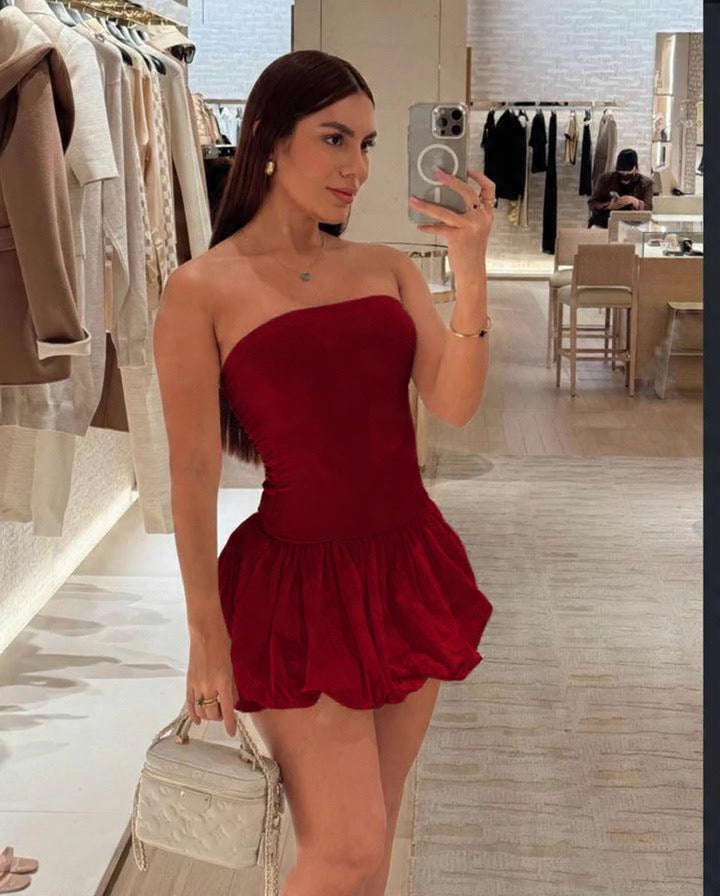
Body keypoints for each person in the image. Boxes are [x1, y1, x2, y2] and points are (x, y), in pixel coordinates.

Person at [153, 49, 494, 896]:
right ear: (269, 139)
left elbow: (453, 404)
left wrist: (471, 270)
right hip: (299, 589)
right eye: (334, 139)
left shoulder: (385, 267)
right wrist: (206, 635)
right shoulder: (200, 289)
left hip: (406, 566)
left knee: (371, 842)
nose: (358, 168)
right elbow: (191, 472)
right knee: (344, 848)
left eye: (367, 145)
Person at [587, 148, 654, 228]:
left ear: (635, 168)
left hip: (634, 225)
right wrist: (609, 206)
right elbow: (592, 203)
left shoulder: (646, 183)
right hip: (604, 223)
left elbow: (649, 210)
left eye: (628, 172)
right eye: (621, 172)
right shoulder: (605, 179)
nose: (625, 174)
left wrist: (635, 201)